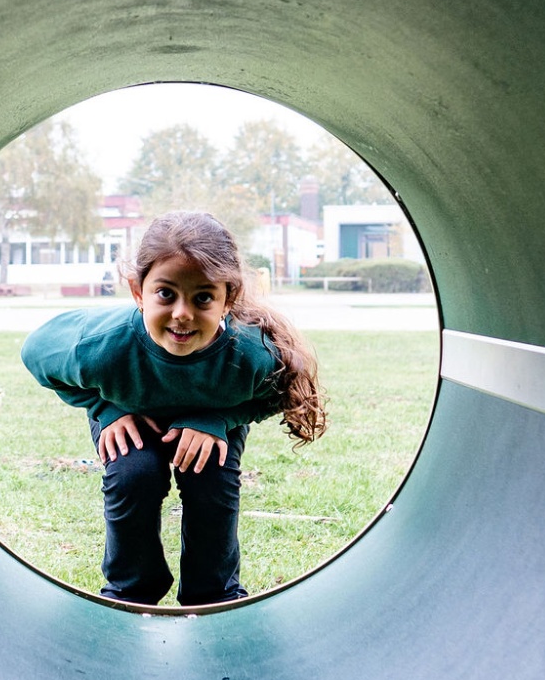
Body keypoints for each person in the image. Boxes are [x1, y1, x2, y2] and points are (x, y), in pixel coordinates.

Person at [20, 211, 327, 605]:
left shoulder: (249, 355)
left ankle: (213, 593)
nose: (182, 313)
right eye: (166, 293)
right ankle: (131, 590)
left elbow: (279, 392)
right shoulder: (100, 346)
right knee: (134, 473)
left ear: (228, 300)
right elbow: (35, 352)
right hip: (128, 413)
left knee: (211, 480)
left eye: (203, 298)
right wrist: (104, 409)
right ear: (138, 291)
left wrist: (221, 418)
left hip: (213, 419)